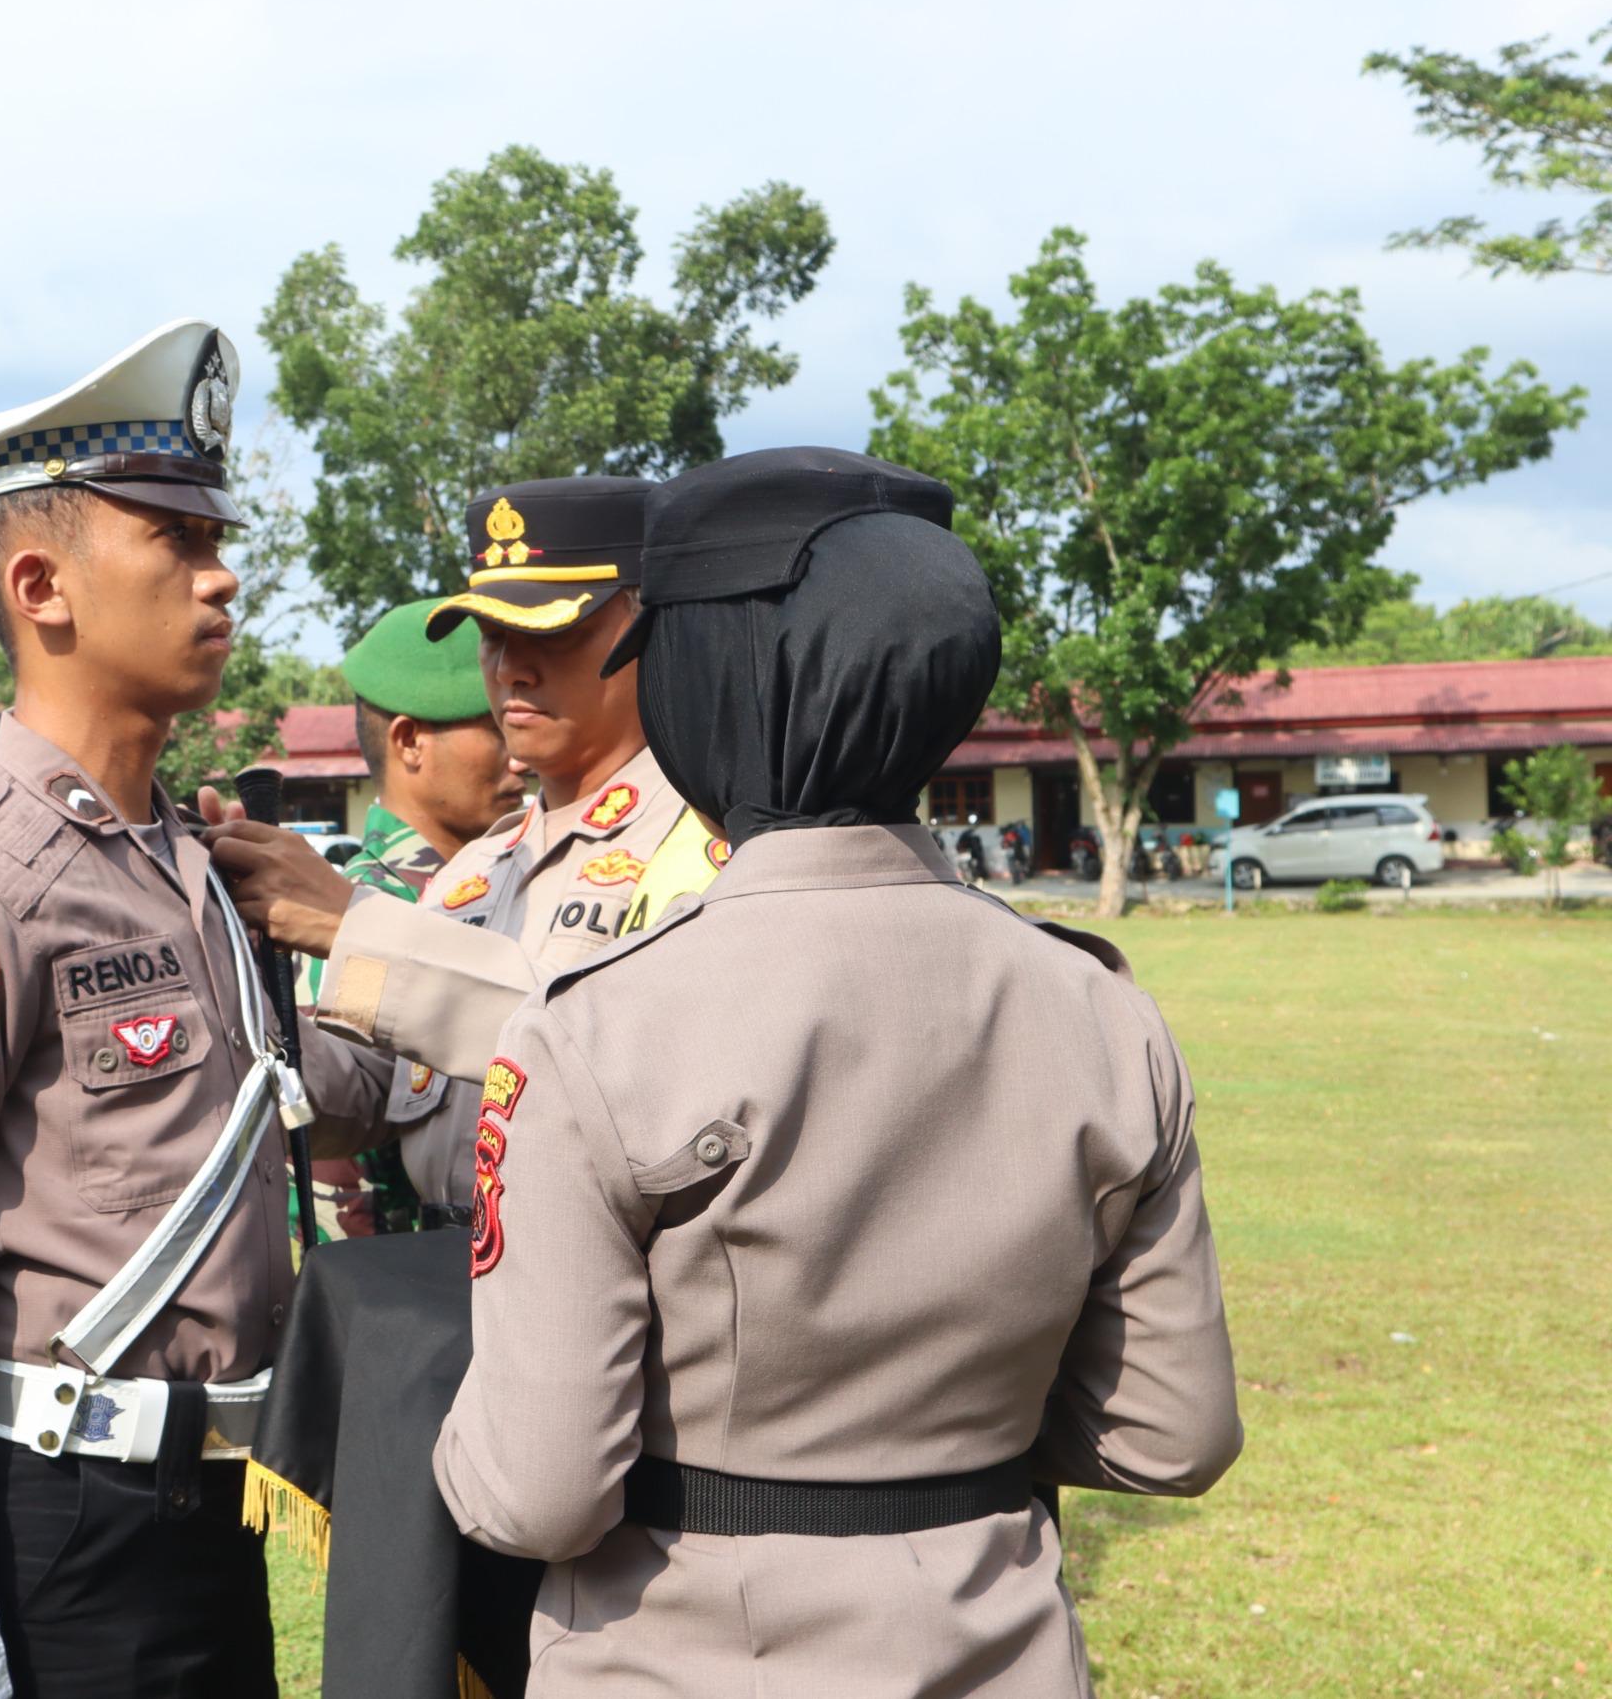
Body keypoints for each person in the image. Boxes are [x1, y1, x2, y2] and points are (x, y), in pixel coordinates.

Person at [432, 447, 1242, 1695]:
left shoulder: (598, 1029)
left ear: (708, 684)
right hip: (1004, 1646)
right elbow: (1170, 1430)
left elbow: (539, 1493)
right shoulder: (1103, 1011)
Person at [0, 320, 392, 1699]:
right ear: (41, 585)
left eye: (217, 535)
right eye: (175, 540)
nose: (223, 572)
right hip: (63, 1525)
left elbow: (261, 1087)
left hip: (211, 1504)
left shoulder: (177, 854)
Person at [209, 476, 716, 1224]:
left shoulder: (706, 843)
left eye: (550, 630)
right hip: (448, 1289)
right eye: (494, 635)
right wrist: (240, 979)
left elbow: (613, 1062)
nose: (511, 667)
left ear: (648, 632)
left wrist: (350, 922)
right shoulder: (476, 870)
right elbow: (367, 1103)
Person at [299, 599, 527, 1238]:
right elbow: (341, 1188)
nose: (521, 757)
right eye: (493, 728)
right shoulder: (357, 916)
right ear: (409, 742)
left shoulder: (500, 887)